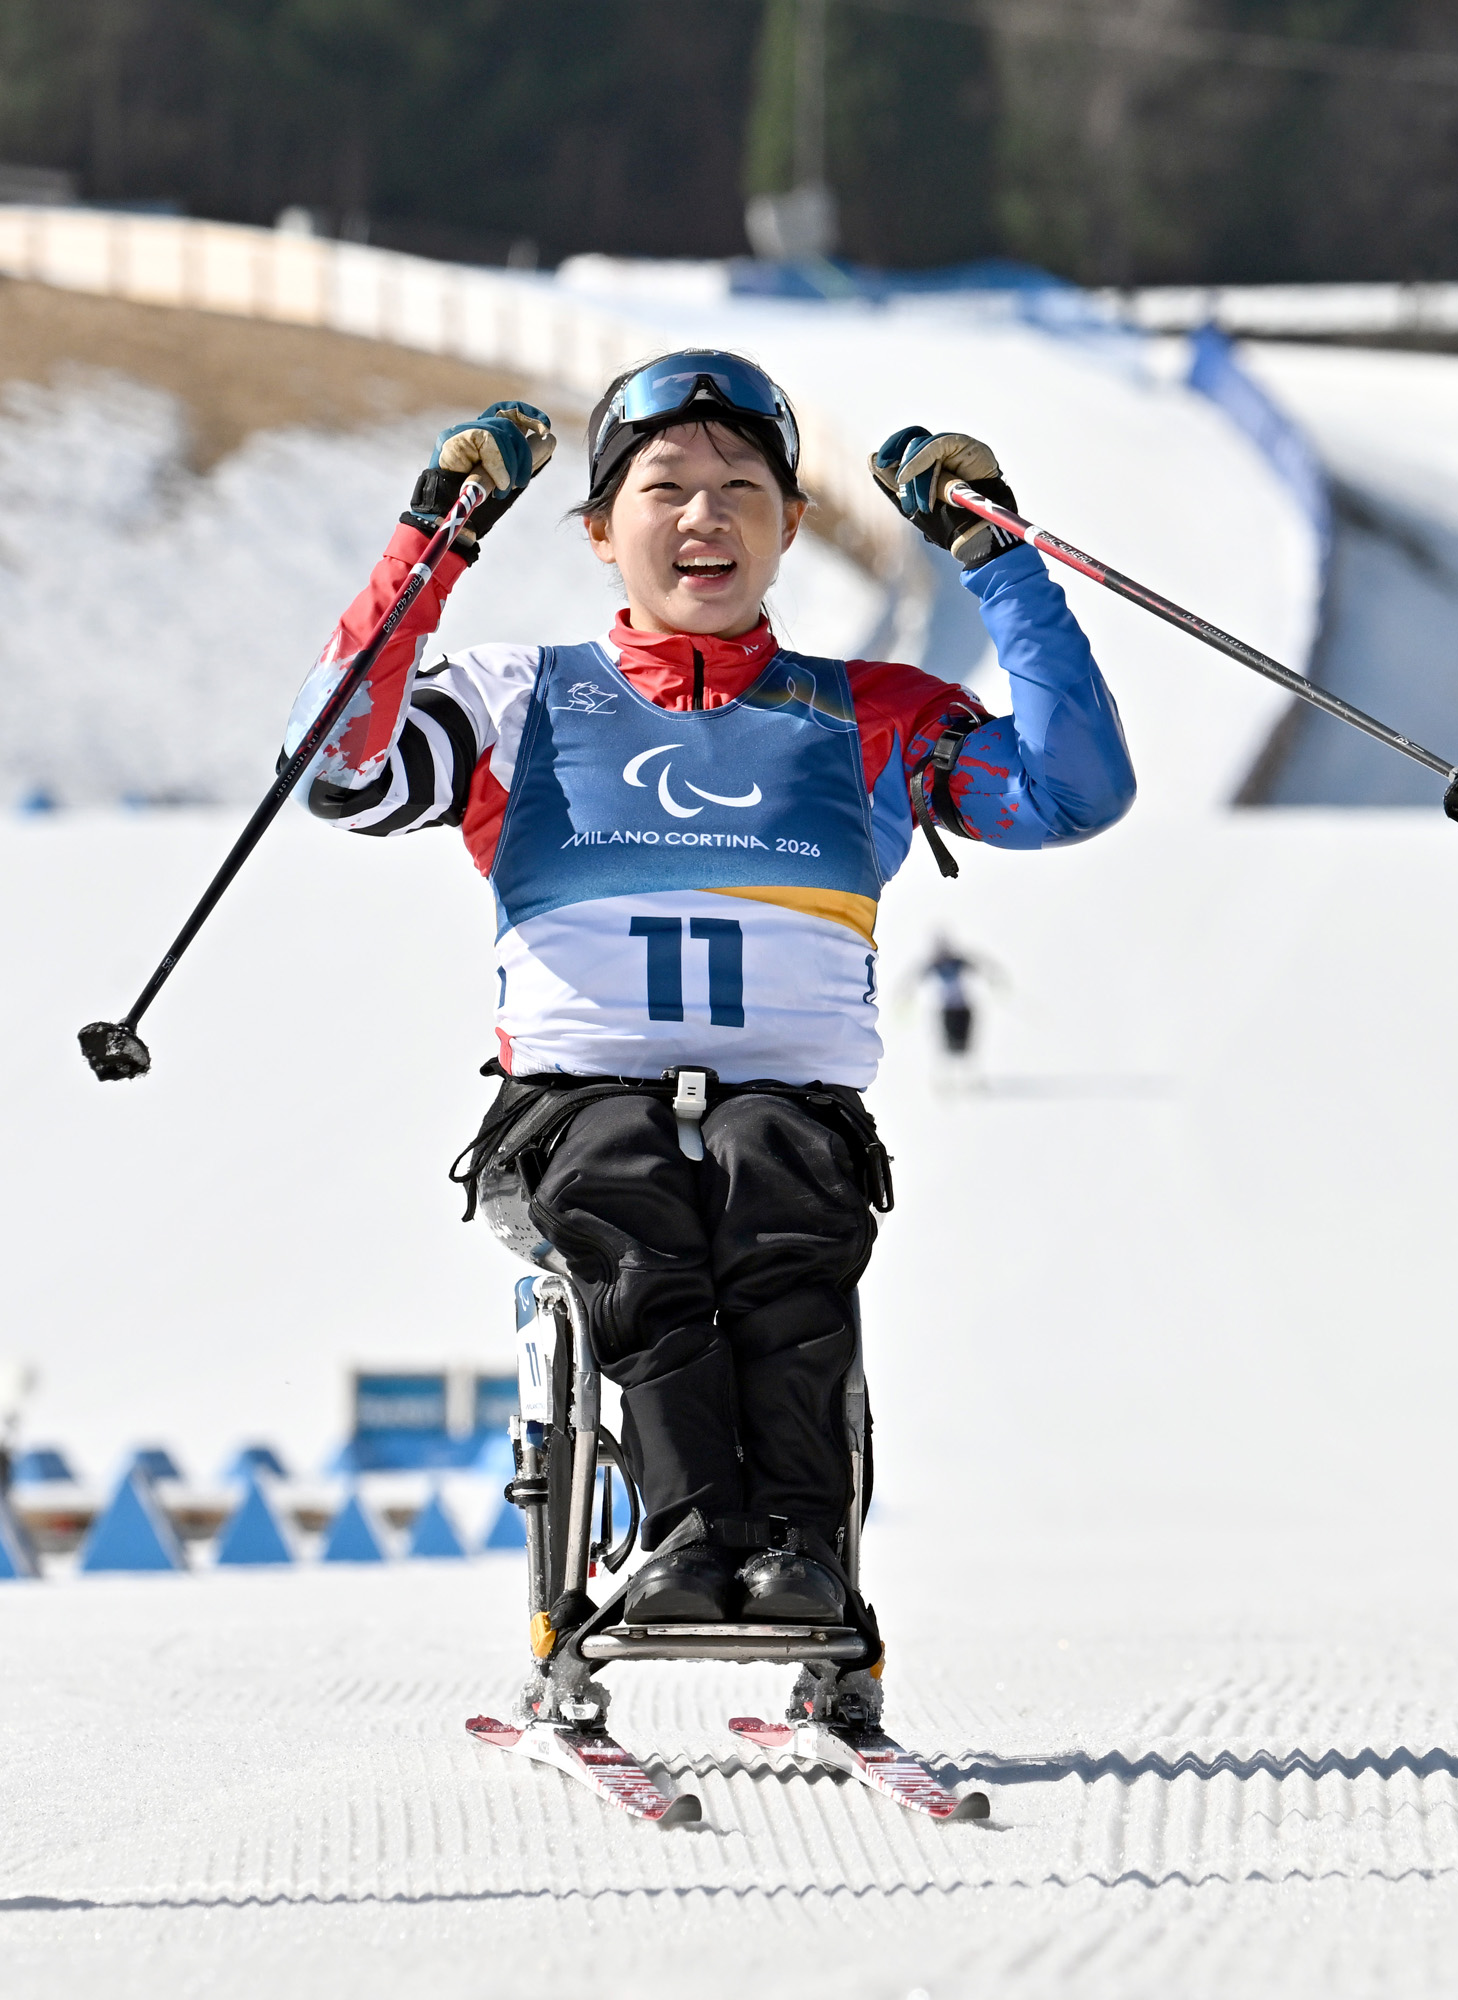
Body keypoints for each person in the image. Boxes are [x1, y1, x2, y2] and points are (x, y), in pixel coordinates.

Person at [282, 350, 1135, 1639]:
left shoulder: (876, 715)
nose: (705, 514)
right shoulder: (516, 700)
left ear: (792, 526)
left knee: (773, 1188)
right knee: (633, 1192)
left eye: (743, 485)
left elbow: (1075, 791)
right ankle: (690, 1536)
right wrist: (431, 542)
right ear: (597, 532)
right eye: (664, 486)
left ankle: (798, 1551)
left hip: (789, 1101)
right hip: (573, 1102)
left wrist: (996, 558)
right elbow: (338, 765)